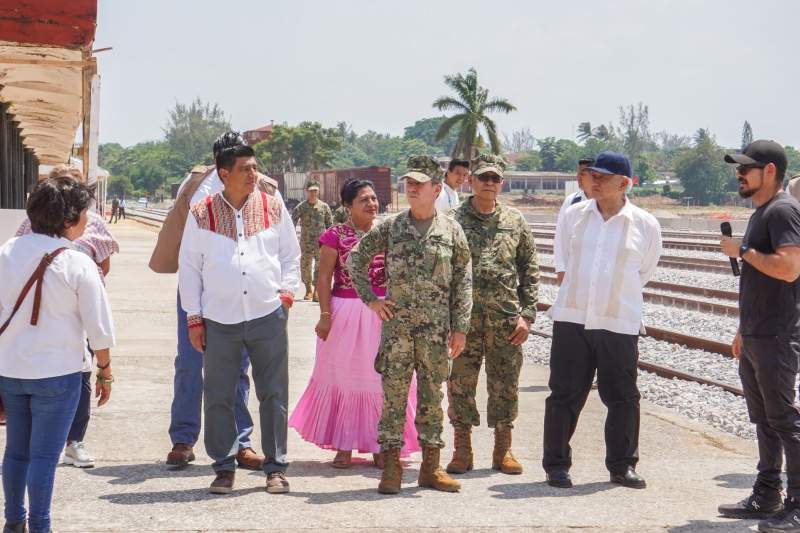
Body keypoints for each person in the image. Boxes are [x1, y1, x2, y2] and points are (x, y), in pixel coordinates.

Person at [179, 140, 300, 494]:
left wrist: (286, 296)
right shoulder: (201, 212)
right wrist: (194, 318)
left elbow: (290, 254)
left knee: (273, 394)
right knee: (218, 395)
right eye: (245, 169)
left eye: (255, 167)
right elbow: (190, 267)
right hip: (219, 320)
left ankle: (275, 467)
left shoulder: (273, 206)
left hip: (268, 314)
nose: (253, 174)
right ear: (224, 173)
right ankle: (223, 467)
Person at [149, 133, 276, 471]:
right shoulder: (194, 184)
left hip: (240, 293)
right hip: (197, 289)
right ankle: (183, 439)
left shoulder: (264, 188)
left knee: (237, 366)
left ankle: (240, 443)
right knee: (190, 362)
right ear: (220, 164)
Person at [347, 155, 472, 495]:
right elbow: (356, 258)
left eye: (420, 184)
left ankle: (431, 468)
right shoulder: (392, 227)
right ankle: (391, 468)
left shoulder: (451, 230)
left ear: (436, 189)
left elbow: (463, 281)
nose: (412, 188)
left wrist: (460, 327)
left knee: (432, 398)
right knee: (394, 399)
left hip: (436, 331)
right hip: (398, 332)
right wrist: (371, 299)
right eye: (409, 183)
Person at [0, 176, 115, 533]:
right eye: (84, 213)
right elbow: (99, 327)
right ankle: (40, 526)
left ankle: (13, 522)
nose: (87, 219)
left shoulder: (6, 251)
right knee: (44, 458)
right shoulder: (78, 263)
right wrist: (105, 370)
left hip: (11, 370)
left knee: (16, 451)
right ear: (68, 219)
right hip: (58, 374)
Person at [542, 151, 661, 490]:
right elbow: (564, 259)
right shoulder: (574, 216)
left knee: (623, 397)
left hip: (618, 320)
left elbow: (644, 271)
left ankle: (622, 466)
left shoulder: (645, 224)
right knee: (564, 394)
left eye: (602, 177)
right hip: (573, 317)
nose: (593, 181)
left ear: (624, 183)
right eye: (592, 175)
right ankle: (556, 465)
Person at [289, 179, 421, 468]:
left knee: (380, 381)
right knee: (344, 378)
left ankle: (381, 444)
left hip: (383, 314)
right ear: (348, 205)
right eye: (364, 199)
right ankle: (344, 445)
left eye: (373, 198)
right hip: (345, 314)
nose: (372, 204)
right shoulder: (334, 235)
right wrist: (325, 316)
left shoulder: (389, 232)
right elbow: (324, 277)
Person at [717, 140, 800, 532]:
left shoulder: (783, 210)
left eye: (745, 168)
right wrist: (742, 329)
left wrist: (743, 249)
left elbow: (789, 268)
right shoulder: (762, 212)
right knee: (765, 419)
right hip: (757, 333)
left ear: (770, 171)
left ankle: (797, 504)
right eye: (738, 168)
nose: (739, 174)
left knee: (783, 418)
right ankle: (767, 494)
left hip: (777, 335)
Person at [15, 164, 119, 469]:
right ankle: (38, 442)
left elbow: (103, 266)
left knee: (80, 374)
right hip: (37, 312)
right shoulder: (29, 224)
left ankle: (74, 441)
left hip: (78, 311)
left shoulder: (93, 222)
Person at [447, 154, 539, 476]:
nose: (489, 183)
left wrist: (527, 316)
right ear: (471, 180)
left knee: (505, 385)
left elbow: (530, 270)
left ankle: (503, 450)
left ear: (502, 183)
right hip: (464, 323)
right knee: (460, 384)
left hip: (505, 323)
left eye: (494, 179)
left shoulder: (515, 220)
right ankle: (462, 450)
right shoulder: (453, 220)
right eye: (483, 177)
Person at [292, 180, 333, 301]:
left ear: (318, 191)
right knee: (305, 266)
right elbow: (291, 223)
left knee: (320, 266)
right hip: (306, 242)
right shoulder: (301, 207)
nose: (313, 193)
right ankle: (308, 289)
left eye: (315, 191)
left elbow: (330, 226)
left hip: (321, 243)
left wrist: (331, 242)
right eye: (311, 191)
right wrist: (292, 238)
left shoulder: (324, 207)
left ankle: (317, 290)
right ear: (307, 191)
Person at [554, 158, 594, 283]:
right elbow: (560, 237)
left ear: (595, 175)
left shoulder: (605, 201)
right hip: (574, 271)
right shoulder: (571, 201)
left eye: (583, 174)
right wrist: (561, 268)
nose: (578, 178)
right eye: (577, 174)